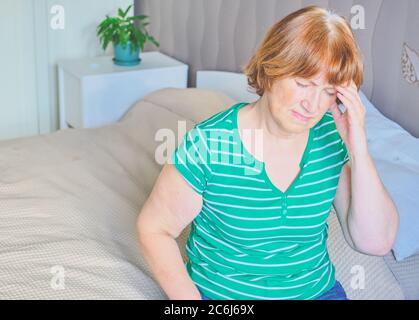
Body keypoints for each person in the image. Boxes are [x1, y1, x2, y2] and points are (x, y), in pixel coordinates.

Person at [137, 6, 399, 300]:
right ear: (271, 69)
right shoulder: (210, 144)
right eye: (304, 83)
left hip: (317, 293)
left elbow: (375, 242)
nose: (312, 105)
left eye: (328, 91)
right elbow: (154, 228)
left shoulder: (329, 136)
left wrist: (358, 147)